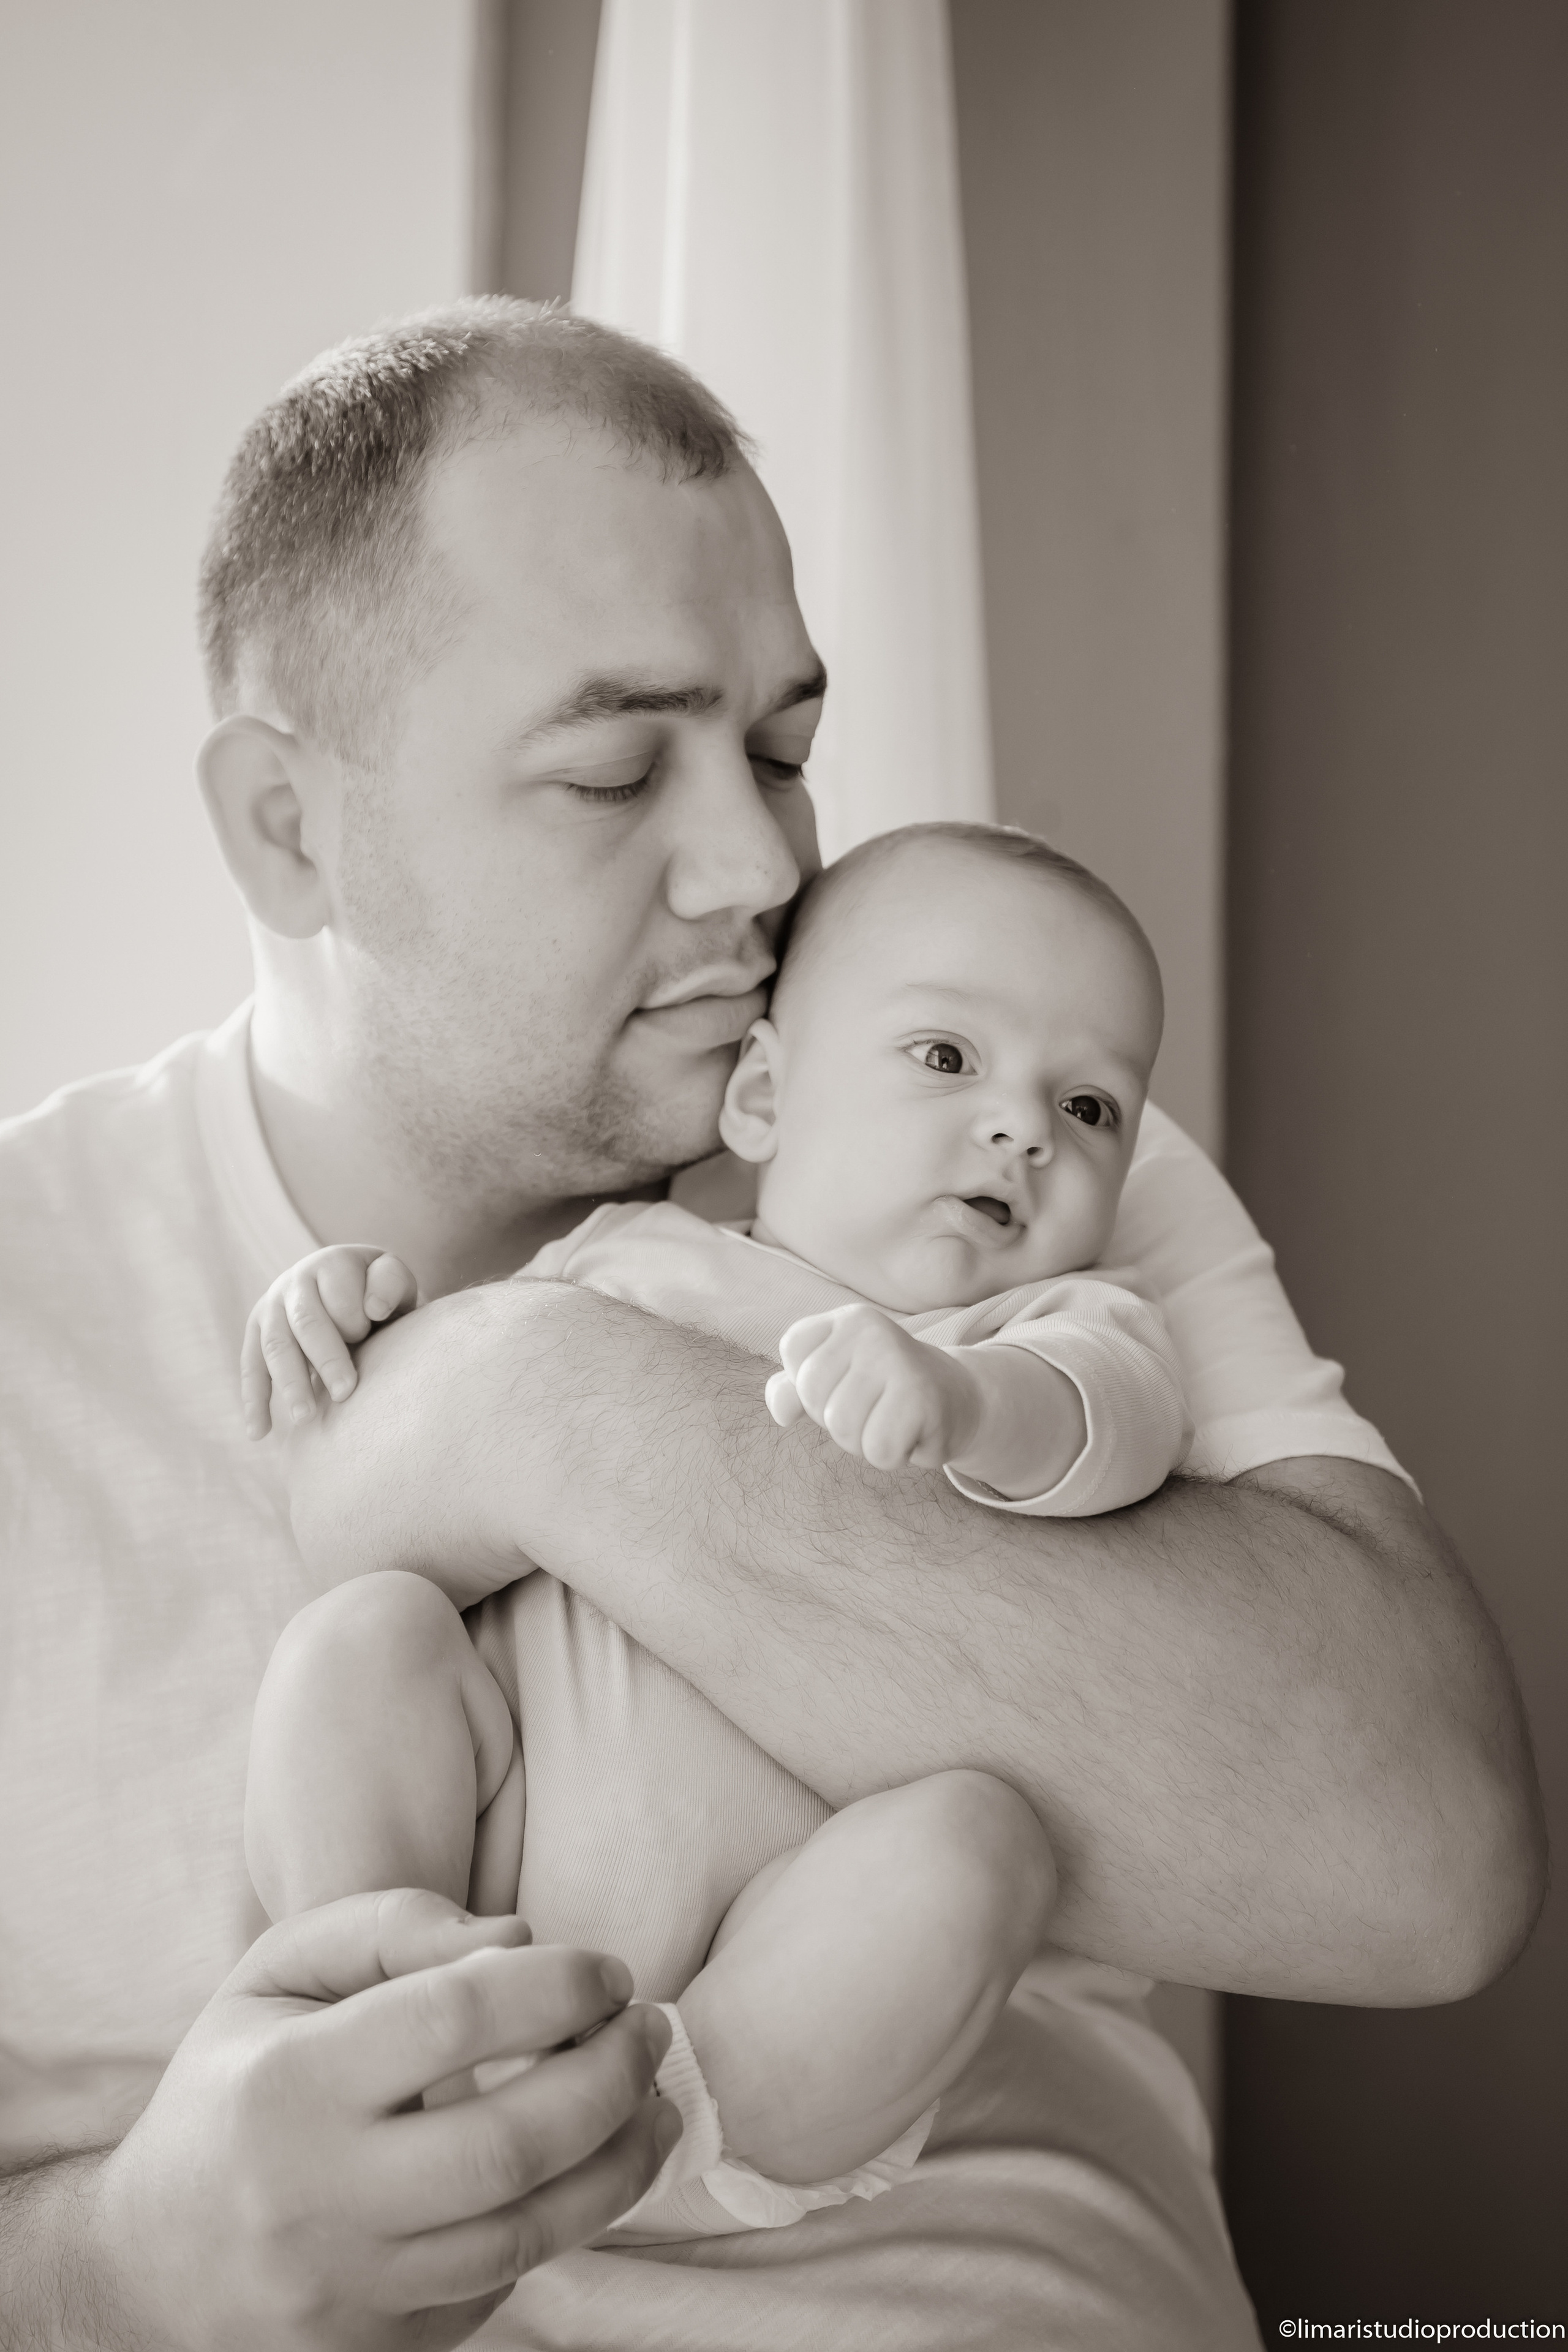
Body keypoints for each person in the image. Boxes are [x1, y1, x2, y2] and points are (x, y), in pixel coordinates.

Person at [0, 300, 1543, 2350]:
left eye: (784, 749)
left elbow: (1423, 1862)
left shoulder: (981, 1139)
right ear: (292, 827)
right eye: (616, 768)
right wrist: (127, 2267)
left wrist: (549, 1400)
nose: (758, 865)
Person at [238, 822, 1186, 2242]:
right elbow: (410, 1467)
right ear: (759, 1094)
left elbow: (1116, 1424)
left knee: (978, 1849)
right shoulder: (624, 1262)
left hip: (763, 1974)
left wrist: (968, 1398)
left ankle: (676, 2133)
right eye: (946, 1059)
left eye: (1092, 1109)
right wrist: (343, 1316)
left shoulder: (1039, 1331)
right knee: (362, 1640)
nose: (1023, 1128)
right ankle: (380, 2006)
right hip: (498, 1857)